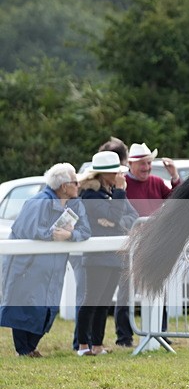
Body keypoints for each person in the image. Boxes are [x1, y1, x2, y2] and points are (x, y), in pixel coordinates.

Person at [0, 163, 91, 357]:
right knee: (26, 307)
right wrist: (53, 235)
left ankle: (29, 348)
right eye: (75, 182)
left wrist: (70, 235)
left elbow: (85, 231)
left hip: (54, 269)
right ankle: (24, 350)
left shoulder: (74, 204)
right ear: (64, 186)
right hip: (29, 266)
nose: (79, 185)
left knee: (47, 309)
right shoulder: (38, 202)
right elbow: (30, 230)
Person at [114, 141, 181, 347]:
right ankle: (124, 337)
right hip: (131, 245)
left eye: (149, 163)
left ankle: (160, 333)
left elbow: (177, 202)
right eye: (142, 164)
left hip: (154, 244)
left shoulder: (157, 182)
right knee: (126, 292)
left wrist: (175, 177)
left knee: (158, 286)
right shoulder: (123, 184)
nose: (146, 168)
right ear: (132, 165)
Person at [74, 151, 138, 356]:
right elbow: (114, 214)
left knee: (103, 304)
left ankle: (97, 344)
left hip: (114, 254)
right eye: (116, 173)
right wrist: (119, 197)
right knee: (91, 300)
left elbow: (131, 216)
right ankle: (83, 344)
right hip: (97, 256)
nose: (120, 176)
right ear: (104, 174)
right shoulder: (91, 194)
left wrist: (116, 222)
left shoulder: (112, 194)